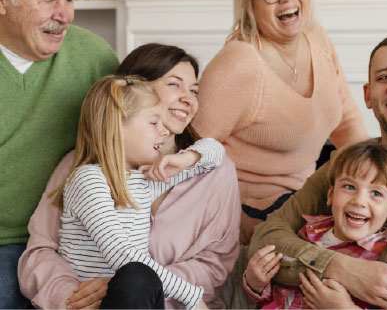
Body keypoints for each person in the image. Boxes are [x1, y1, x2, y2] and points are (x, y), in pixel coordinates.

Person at [19, 43, 240, 309]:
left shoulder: (195, 171)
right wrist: (74, 296)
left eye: (194, 90)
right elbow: (41, 252)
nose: (189, 99)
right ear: (134, 91)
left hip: (162, 302)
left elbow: (212, 266)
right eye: (174, 85)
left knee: (135, 279)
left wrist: (187, 159)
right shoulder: (82, 170)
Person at [249, 33, 387, 309]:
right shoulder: (346, 166)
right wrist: (342, 268)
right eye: (384, 77)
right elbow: (268, 236)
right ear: (368, 96)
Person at [192, 0, 367, 245]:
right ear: (249, 3)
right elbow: (188, 151)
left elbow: (346, 123)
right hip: (251, 209)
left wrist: (377, 179)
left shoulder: (318, 40)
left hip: (302, 200)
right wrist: (236, 220)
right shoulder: (239, 63)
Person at [0, 0, 118, 308]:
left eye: (69, 0)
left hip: (74, 238)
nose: (64, 15)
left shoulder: (95, 57)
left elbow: (133, 147)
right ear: (2, 0)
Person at [53, 74, 225, 309]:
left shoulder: (144, 180)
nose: (164, 132)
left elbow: (215, 153)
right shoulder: (88, 179)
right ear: (116, 127)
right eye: (154, 123)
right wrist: (191, 296)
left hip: (138, 299)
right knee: (137, 275)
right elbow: (122, 255)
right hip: (101, 303)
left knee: (141, 279)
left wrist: (186, 159)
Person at [244, 140, 387, 309]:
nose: (359, 201)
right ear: (331, 194)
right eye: (349, 187)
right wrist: (257, 284)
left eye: (376, 193)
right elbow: (278, 298)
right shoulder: (305, 235)